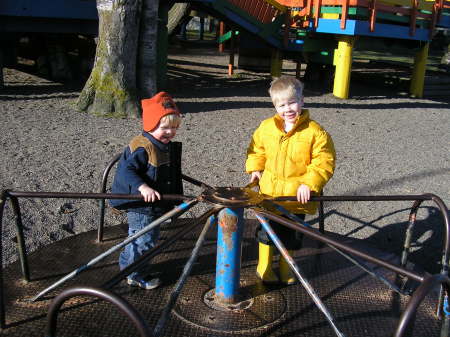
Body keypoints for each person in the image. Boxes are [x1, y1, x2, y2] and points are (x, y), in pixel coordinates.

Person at [246, 76, 336, 285]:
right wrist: (256, 168)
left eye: (292, 102)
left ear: (302, 101)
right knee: (266, 231)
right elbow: (256, 148)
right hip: (270, 193)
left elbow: (324, 161)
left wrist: (309, 183)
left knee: (292, 235)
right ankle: (264, 266)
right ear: (275, 105)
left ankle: (287, 267)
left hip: (297, 196)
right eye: (281, 105)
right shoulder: (267, 127)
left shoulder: (315, 132)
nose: (287, 109)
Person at [110, 91, 183, 290]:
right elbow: (126, 170)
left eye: (175, 128)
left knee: (146, 238)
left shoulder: (161, 144)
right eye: (165, 127)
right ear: (150, 124)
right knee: (143, 240)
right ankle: (132, 273)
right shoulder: (143, 146)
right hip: (142, 205)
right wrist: (143, 187)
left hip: (153, 204)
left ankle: (132, 267)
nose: (170, 132)